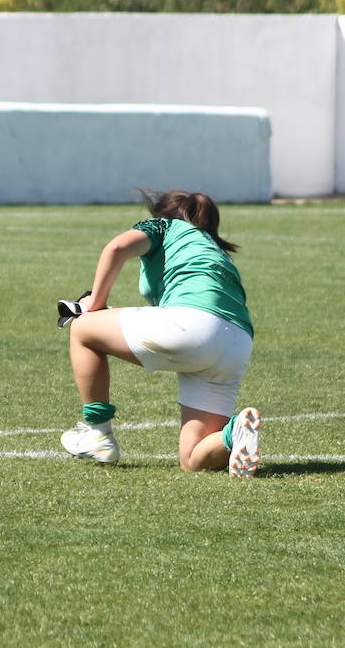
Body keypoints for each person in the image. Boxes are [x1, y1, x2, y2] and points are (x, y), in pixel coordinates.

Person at [58, 190, 261, 477]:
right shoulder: (213, 248)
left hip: (192, 327)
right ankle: (234, 434)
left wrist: (96, 304)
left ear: (163, 214)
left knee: (81, 328)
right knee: (192, 459)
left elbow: (117, 248)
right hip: (237, 343)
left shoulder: (164, 226)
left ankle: (97, 433)